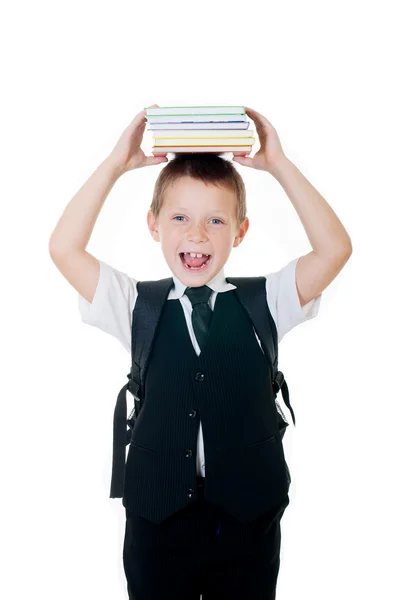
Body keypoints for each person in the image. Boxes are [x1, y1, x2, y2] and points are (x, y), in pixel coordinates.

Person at [49, 103, 352, 600]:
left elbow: (335, 249)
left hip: (248, 519)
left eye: (215, 220)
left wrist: (279, 164)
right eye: (180, 218)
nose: (196, 234)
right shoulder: (135, 305)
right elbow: (64, 248)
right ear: (153, 226)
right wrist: (115, 165)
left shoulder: (267, 301)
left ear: (240, 231)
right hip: (156, 521)